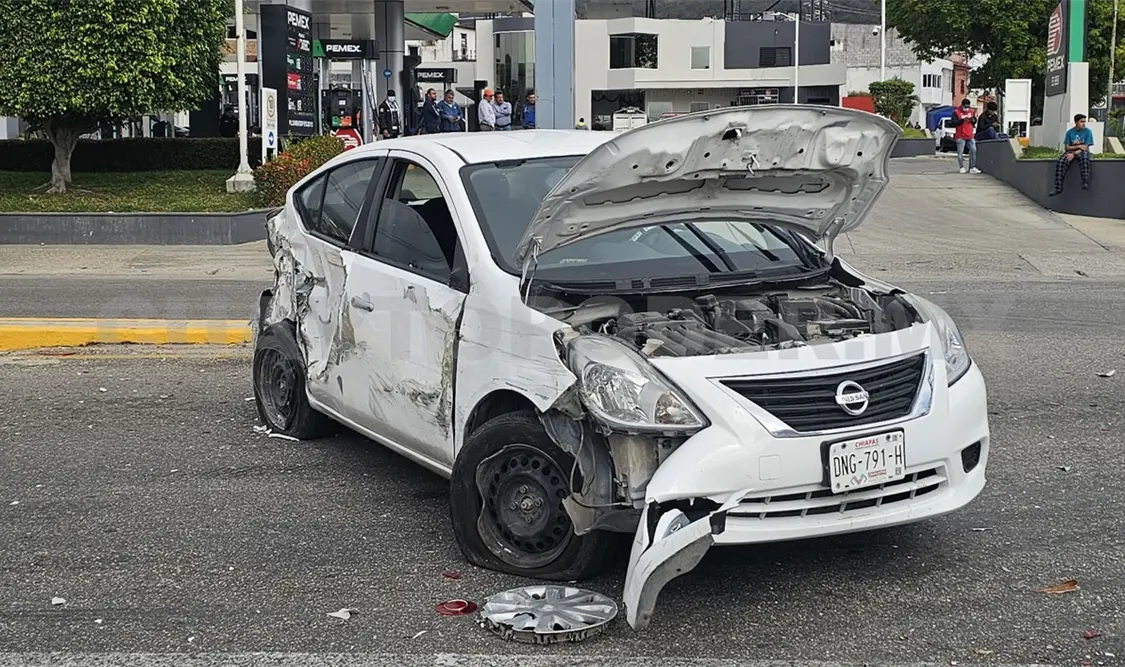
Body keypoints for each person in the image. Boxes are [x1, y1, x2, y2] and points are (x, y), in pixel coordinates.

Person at [1050, 113, 1094, 196]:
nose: (1083, 123)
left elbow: (1085, 147)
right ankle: (1058, 187)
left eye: (1084, 121)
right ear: (1076, 122)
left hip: (1082, 152)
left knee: (1084, 159)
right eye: (1081, 122)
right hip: (1070, 152)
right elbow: (1067, 147)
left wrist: (1074, 153)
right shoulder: (1070, 133)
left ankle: (1085, 181)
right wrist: (1078, 146)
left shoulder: (1088, 132)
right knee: (1061, 162)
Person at [952, 98, 980, 174]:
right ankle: (961, 167)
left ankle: (972, 167)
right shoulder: (956, 112)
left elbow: (974, 121)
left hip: (970, 135)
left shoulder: (971, 111)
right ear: (962, 105)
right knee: (960, 152)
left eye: (968, 107)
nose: (966, 108)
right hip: (960, 135)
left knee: (973, 150)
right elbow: (953, 123)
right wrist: (962, 121)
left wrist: (972, 120)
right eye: (965, 107)